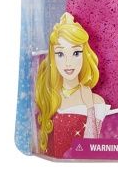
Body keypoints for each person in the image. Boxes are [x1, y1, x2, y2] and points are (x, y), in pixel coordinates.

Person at [35, 12, 109, 158]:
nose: (68, 62)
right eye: (60, 54)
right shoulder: (48, 96)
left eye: (76, 53)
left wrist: (90, 108)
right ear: (53, 57)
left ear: (84, 55)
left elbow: (91, 150)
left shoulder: (95, 101)